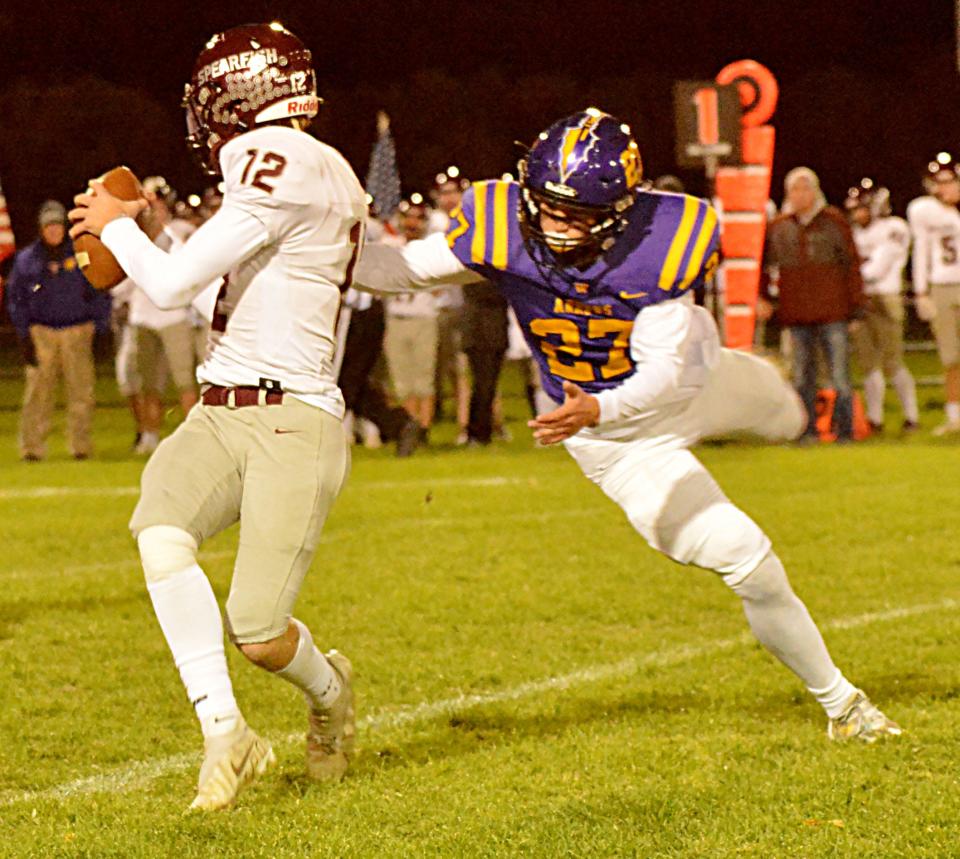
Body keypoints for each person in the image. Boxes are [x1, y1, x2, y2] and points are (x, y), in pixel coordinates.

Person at [354, 109, 900, 743]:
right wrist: (312, 243)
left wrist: (599, 406)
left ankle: (768, 388)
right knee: (748, 562)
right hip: (616, 445)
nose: (556, 226)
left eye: (577, 213)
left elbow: (664, 375)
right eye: (548, 208)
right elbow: (398, 271)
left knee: (789, 416)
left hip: (691, 384)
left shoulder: (660, 242)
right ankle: (844, 706)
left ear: (619, 208)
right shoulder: (504, 230)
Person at [68, 23, 365, 811]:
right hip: (221, 403)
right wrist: (152, 234)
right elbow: (215, 284)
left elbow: (164, 289)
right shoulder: (310, 170)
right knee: (160, 535)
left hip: (293, 418)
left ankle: (332, 694)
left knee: (260, 632)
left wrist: (117, 225)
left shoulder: (280, 156)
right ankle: (225, 732)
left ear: (236, 96)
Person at [760, 167, 865, 444]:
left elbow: (851, 265)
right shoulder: (779, 227)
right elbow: (765, 267)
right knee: (802, 377)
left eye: (805, 188)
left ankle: (845, 430)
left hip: (834, 312)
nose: (800, 195)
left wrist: (856, 308)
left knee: (840, 376)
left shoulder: (834, 222)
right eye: (795, 189)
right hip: (797, 314)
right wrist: (764, 298)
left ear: (815, 191)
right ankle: (806, 430)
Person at [6, 200, 111, 461]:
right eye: (48, 227)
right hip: (42, 332)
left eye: (57, 226)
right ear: (41, 229)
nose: (53, 231)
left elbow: (99, 291)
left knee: (81, 391)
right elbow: (16, 298)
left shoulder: (81, 254)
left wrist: (101, 329)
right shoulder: (27, 259)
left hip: (78, 330)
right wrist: (23, 335)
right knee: (38, 393)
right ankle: (32, 447)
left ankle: (80, 445)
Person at [844, 180, 919, 433]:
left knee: (892, 361)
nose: (857, 214)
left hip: (886, 298)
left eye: (861, 209)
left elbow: (877, 269)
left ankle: (912, 416)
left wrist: (853, 275)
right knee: (867, 363)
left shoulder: (894, 227)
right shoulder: (854, 233)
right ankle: (875, 419)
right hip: (862, 300)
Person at [907, 156, 960, 435]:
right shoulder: (925, 210)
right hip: (943, 287)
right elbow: (921, 249)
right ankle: (955, 417)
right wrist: (920, 291)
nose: (943, 189)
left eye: (948, 182)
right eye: (938, 183)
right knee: (951, 358)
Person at [383, 198, 439, 440]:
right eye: (408, 217)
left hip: (423, 318)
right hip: (396, 319)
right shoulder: (389, 246)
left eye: (417, 218)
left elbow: (440, 287)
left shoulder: (432, 247)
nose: (412, 223)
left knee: (423, 379)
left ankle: (422, 429)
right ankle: (409, 428)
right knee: (401, 380)